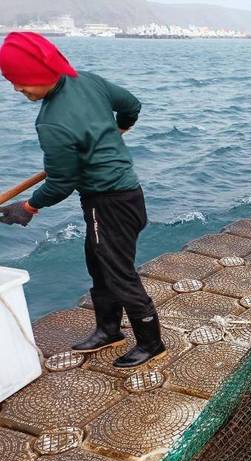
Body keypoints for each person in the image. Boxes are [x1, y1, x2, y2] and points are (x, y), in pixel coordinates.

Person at [0, 32, 165, 369]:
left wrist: (29, 207)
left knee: (118, 273)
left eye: (20, 82)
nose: (18, 90)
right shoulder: (88, 81)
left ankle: (151, 342)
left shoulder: (51, 122)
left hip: (108, 203)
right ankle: (108, 329)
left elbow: (62, 183)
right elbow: (131, 105)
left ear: (39, 75)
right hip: (129, 197)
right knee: (98, 262)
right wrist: (119, 130)